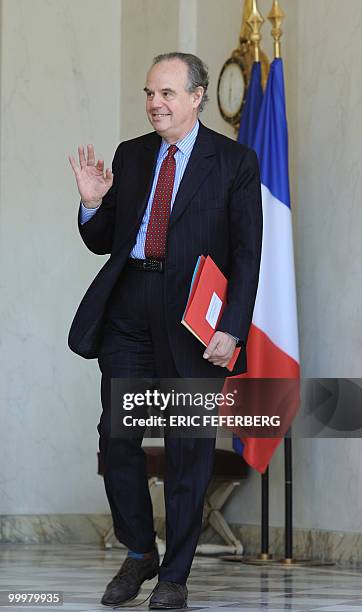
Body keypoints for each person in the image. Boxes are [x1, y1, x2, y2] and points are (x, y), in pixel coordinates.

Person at [68, 52, 262, 609]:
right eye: (150, 93)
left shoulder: (235, 162)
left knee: (187, 448)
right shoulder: (131, 156)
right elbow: (106, 238)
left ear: (197, 97)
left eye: (168, 94)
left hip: (192, 322)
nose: (155, 103)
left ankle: (174, 574)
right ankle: (138, 553)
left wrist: (232, 327)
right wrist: (91, 203)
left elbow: (248, 255)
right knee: (118, 437)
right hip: (130, 310)